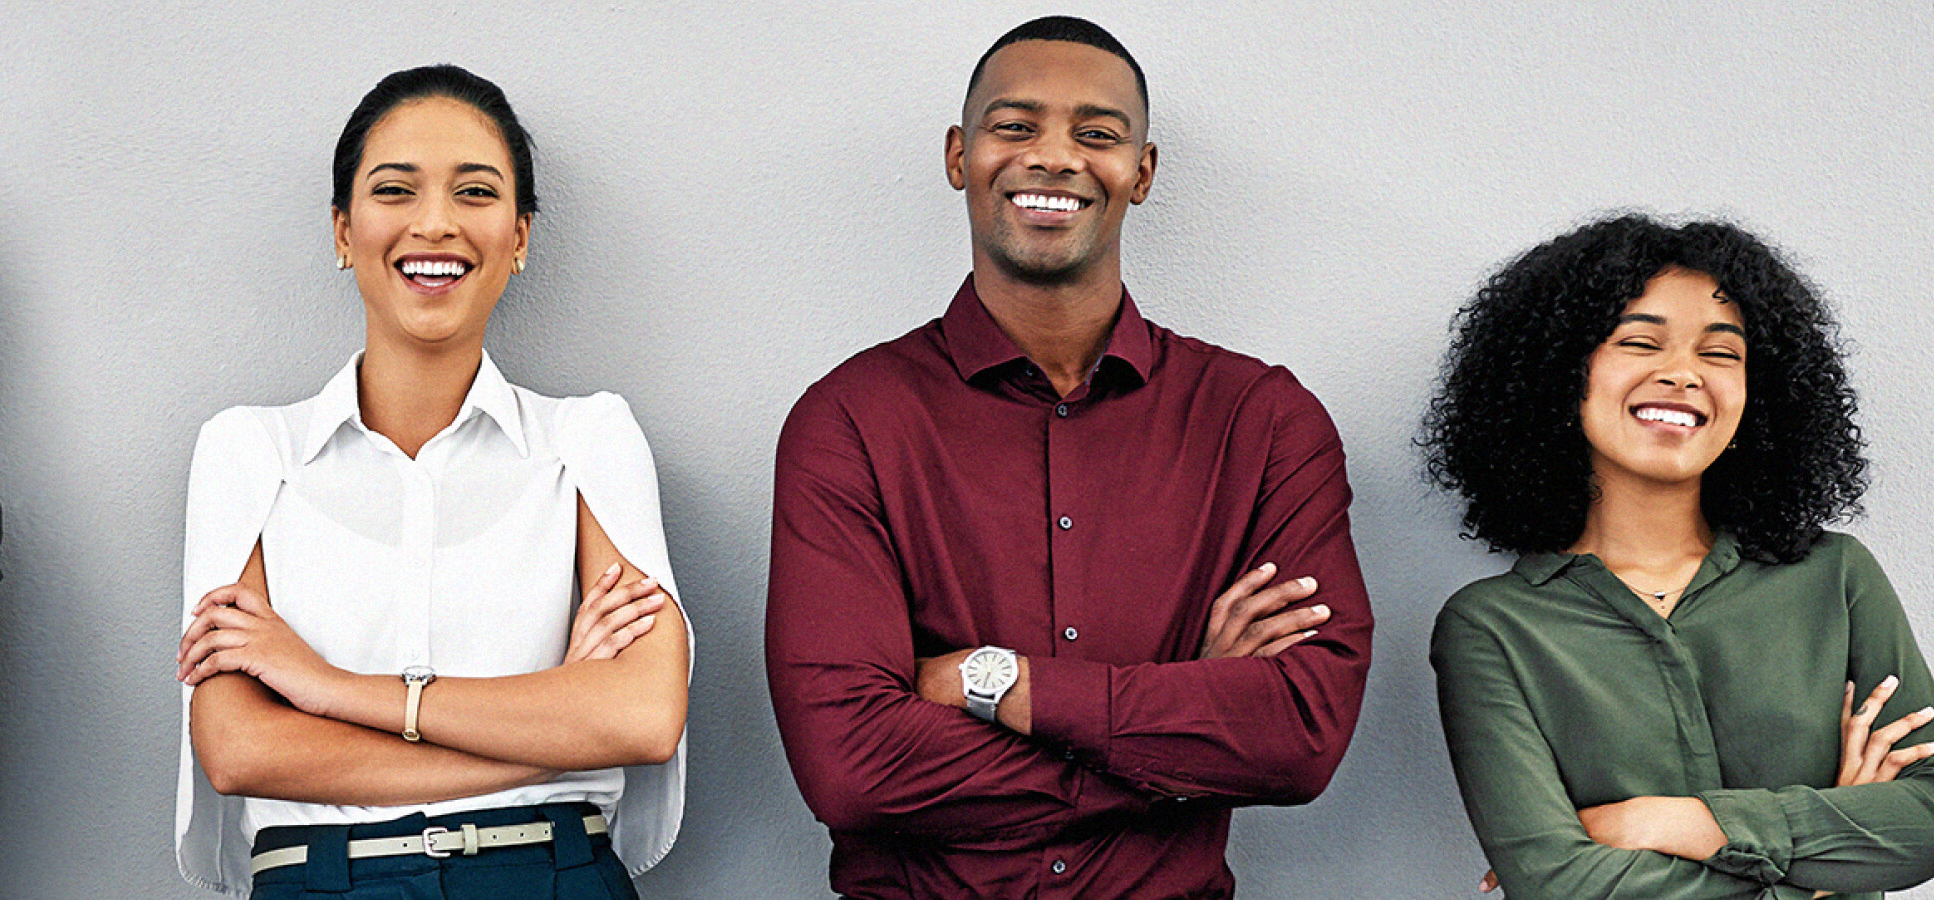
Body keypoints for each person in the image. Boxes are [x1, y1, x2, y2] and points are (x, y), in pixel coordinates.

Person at [764, 16, 1372, 898]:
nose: (1054, 157)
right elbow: (850, 766)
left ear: (1144, 172)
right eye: (1015, 127)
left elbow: (1302, 738)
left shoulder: (1266, 422)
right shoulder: (850, 420)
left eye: (1097, 133)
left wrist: (996, 684)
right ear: (956, 156)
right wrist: (1182, 724)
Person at [173, 64, 689, 900]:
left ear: (520, 238)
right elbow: (240, 752)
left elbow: (641, 718)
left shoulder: (588, 439)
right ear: (343, 232)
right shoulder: (249, 451)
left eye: (477, 193)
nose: (437, 223)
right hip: (322, 883)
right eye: (395, 190)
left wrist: (332, 691)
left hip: (549, 877)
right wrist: (556, 726)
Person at [1425, 214, 1934, 899]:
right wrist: (1822, 866)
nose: (1683, 374)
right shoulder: (1492, 628)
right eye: (1640, 342)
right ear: (1560, 371)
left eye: (1721, 353)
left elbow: (1926, 821)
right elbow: (1559, 884)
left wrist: (1673, 822)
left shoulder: (1836, 578)